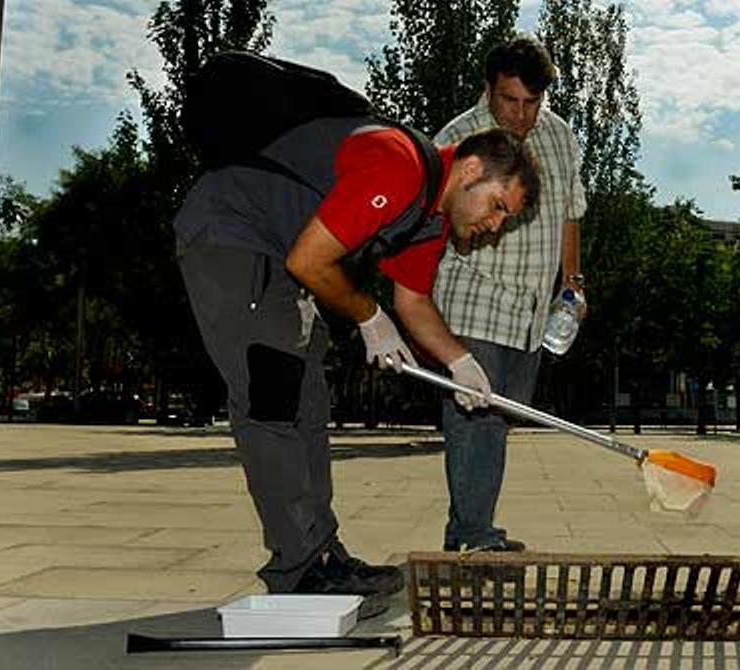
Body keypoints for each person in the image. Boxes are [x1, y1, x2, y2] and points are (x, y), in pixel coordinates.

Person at [172, 118, 540, 601]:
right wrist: (369, 316)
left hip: (281, 256)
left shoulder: (430, 221)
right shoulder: (400, 165)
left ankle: (321, 553)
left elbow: (413, 304)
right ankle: (302, 568)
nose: (494, 226)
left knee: (308, 403)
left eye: (505, 219)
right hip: (234, 234)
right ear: (470, 168)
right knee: (272, 401)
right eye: (497, 206)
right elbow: (309, 261)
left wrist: (462, 363)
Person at [433, 36, 587, 553]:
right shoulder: (456, 138)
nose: (520, 115)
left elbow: (571, 212)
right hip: (470, 297)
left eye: (531, 103)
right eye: (509, 101)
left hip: (530, 312)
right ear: (489, 89)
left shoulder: (562, 137)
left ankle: (470, 528)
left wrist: (572, 283)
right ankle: (474, 535)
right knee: (473, 417)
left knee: (496, 421)